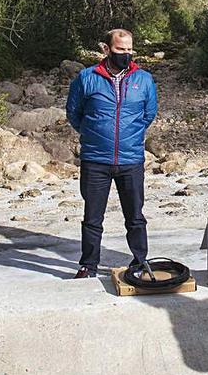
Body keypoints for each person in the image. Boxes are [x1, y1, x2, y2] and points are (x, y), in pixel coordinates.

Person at [65, 29, 159, 278]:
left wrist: (131, 136)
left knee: (135, 217)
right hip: (96, 159)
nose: (126, 55)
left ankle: (140, 262)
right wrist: (93, 134)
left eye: (129, 50)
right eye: (120, 50)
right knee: (92, 218)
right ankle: (88, 265)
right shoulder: (86, 78)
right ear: (106, 49)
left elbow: (148, 114)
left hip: (131, 159)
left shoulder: (145, 79)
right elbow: (74, 113)